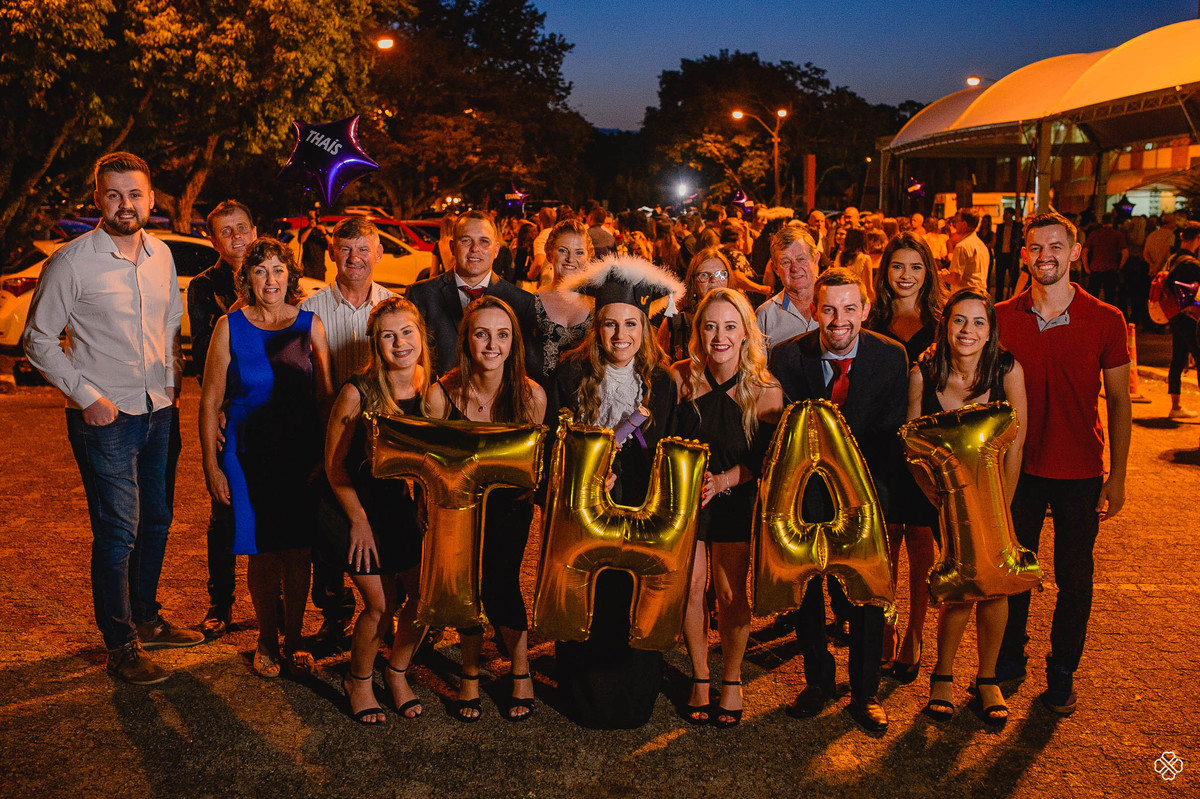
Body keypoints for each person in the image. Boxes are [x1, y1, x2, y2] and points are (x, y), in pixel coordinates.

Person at [24, 151, 204, 684]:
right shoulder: (72, 262)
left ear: (150, 199)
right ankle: (121, 644)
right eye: (113, 194)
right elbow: (37, 340)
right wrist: (88, 396)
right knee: (118, 531)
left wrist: (171, 378)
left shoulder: (162, 255)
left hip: (158, 409)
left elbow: (172, 315)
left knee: (158, 521)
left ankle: (147, 619)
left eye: (135, 194)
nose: (125, 204)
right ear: (98, 199)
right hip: (107, 418)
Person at [995, 212, 1131, 715]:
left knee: (1075, 578)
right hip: (1018, 468)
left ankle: (1061, 670)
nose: (1045, 255)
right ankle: (1008, 661)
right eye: (1035, 247)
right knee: (1015, 571)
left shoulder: (1107, 318)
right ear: (1025, 254)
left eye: (1056, 246)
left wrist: (1117, 476)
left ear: (1076, 252)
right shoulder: (1002, 316)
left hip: (1080, 470)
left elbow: (1119, 401)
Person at [768, 267, 909, 734]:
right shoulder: (786, 359)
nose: (838, 319)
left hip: (867, 492)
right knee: (806, 591)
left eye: (850, 308)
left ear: (865, 310)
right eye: (828, 309)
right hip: (805, 496)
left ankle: (865, 693)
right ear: (814, 310)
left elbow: (890, 437)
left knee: (867, 595)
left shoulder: (892, 358)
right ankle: (818, 681)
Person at [548, 255, 684, 729]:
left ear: (645, 327)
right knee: (587, 597)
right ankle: (583, 696)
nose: (620, 335)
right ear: (596, 326)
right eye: (609, 324)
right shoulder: (568, 374)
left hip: (640, 514)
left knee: (632, 602)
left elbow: (667, 448)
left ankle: (632, 696)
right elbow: (553, 443)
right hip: (581, 514)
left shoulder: (664, 382)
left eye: (631, 323)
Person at [199, 237, 333, 678]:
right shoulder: (229, 326)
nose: (270, 279)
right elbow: (209, 400)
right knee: (261, 551)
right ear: (248, 279)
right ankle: (266, 639)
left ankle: (295, 640)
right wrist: (211, 466)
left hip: (301, 452)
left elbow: (325, 399)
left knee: (298, 551)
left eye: (278, 270)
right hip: (247, 453)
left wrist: (327, 458)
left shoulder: (310, 325)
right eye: (260, 271)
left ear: (290, 277)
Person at [907, 289, 1028, 727]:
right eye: (960, 321)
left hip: (996, 497)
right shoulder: (924, 373)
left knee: (996, 584)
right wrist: (939, 502)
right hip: (944, 501)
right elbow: (913, 449)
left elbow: (1017, 443)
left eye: (979, 322)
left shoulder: (1007, 370)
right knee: (959, 583)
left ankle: (987, 678)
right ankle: (942, 675)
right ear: (946, 325)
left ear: (991, 330)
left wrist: (1003, 508)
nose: (968, 331)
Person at [426, 296, 547, 721]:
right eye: (482, 334)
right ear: (466, 339)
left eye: (502, 335)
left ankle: (521, 668)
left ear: (513, 342)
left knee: (501, 585)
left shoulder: (531, 396)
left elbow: (534, 469)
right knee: (465, 587)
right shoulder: (441, 395)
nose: (492, 345)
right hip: (457, 509)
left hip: (510, 507)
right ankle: (470, 671)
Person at [672, 288, 783, 727]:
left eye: (729, 326)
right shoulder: (681, 378)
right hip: (690, 496)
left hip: (736, 495)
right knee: (692, 585)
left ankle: (732, 678)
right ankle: (700, 675)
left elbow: (766, 459)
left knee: (731, 590)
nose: (719, 336)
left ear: (745, 334)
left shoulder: (766, 388)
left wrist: (722, 481)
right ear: (699, 331)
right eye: (710, 325)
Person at [325, 297, 431, 723]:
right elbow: (334, 467)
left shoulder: (431, 385)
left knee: (425, 599)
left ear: (421, 335)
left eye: (407, 332)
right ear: (376, 343)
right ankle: (359, 679)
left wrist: (424, 503)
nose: (400, 343)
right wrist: (358, 522)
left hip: (399, 504)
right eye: (388, 335)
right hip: (350, 504)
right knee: (381, 604)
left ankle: (398, 671)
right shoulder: (358, 391)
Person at [301, 217, 397, 650]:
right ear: (332, 253)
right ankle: (333, 613)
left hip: (384, 439)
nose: (355, 258)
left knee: (384, 523)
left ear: (378, 253)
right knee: (329, 532)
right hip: (328, 432)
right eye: (345, 249)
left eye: (364, 249)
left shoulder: (396, 307)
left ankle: (384, 612)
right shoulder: (310, 310)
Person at [867, 232, 944, 681]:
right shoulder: (870, 319)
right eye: (898, 267)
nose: (907, 276)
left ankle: (916, 630)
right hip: (880, 443)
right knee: (883, 544)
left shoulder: (942, 323)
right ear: (885, 273)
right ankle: (886, 625)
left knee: (920, 544)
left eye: (916, 267)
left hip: (923, 446)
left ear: (928, 273)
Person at [187, 200, 258, 638]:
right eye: (225, 231)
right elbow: (202, 358)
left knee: (275, 512)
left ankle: (279, 603)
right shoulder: (204, 286)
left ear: (255, 229)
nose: (236, 238)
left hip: (273, 410)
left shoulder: (275, 274)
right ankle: (220, 602)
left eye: (242, 228)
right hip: (230, 412)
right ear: (212, 239)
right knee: (225, 511)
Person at [407, 210, 538, 379]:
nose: (475, 248)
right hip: (437, 399)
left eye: (484, 241)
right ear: (453, 247)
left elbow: (524, 367)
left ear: (496, 250)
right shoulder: (420, 295)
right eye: (466, 240)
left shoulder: (521, 302)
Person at [532, 219, 594, 380]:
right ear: (549, 253)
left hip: (587, 399)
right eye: (563, 250)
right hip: (540, 399)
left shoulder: (599, 305)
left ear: (588, 256)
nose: (570, 258)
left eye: (579, 252)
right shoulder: (530, 303)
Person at [656, 247, 730, 362]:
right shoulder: (676, 323)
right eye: (704, 275)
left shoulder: (742, 318)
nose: (714, 279)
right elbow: (658, 365)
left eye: (720, 274)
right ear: (693, 282)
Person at [755, 224, 820, 352]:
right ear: (775, 269)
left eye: (801, 259)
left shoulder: (838, 306)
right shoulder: (765, 315)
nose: (794, 268)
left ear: (816, 259)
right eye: (786, 262)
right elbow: (757, 369)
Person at [1162, 221, 1200, 418]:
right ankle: (1176, 408)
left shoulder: (1173, 259)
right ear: (1198, 238)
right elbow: (1193, 295)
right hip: (1190, 317)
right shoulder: (1191, 264)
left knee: (1177, 358)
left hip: (1174, 314)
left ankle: (1175, 406)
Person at [1082, 213, 1128, 307]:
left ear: (1102, 222)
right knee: (1109, 296)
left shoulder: (1095, 234)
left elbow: (1085, 252)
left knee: (1092, 295)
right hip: (1111, 268)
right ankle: (1107, 317)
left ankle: (1091, 316)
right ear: (1112, 222)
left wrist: (1086, 267)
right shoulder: (1117, 234)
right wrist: (1120, 266)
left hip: (1095, 267)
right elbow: (1125, 253)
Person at [942, 208, 990, 294]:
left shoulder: (962, 247)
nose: (955, 224)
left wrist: (943, 276)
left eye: (957, 221)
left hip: (965, 297)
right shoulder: (982, 246)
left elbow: (955, 279)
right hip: (981, 296)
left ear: (964, 224)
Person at [837, 228, 873, 300]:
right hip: (858, 298)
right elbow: (868, 288)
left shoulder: (840, 256)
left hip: (842, 296)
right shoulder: (865, 259)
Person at [298, 209, 330, 281]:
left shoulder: (322, 231)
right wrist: (310, 228)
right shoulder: (304, 230)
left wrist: (324, 232)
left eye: (315, 218)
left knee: (320, 290)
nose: (314, 220)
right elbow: (301, 240)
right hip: (307, 267)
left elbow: (330, 244)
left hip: (319, 268)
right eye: (311, 218)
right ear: (308, 219)